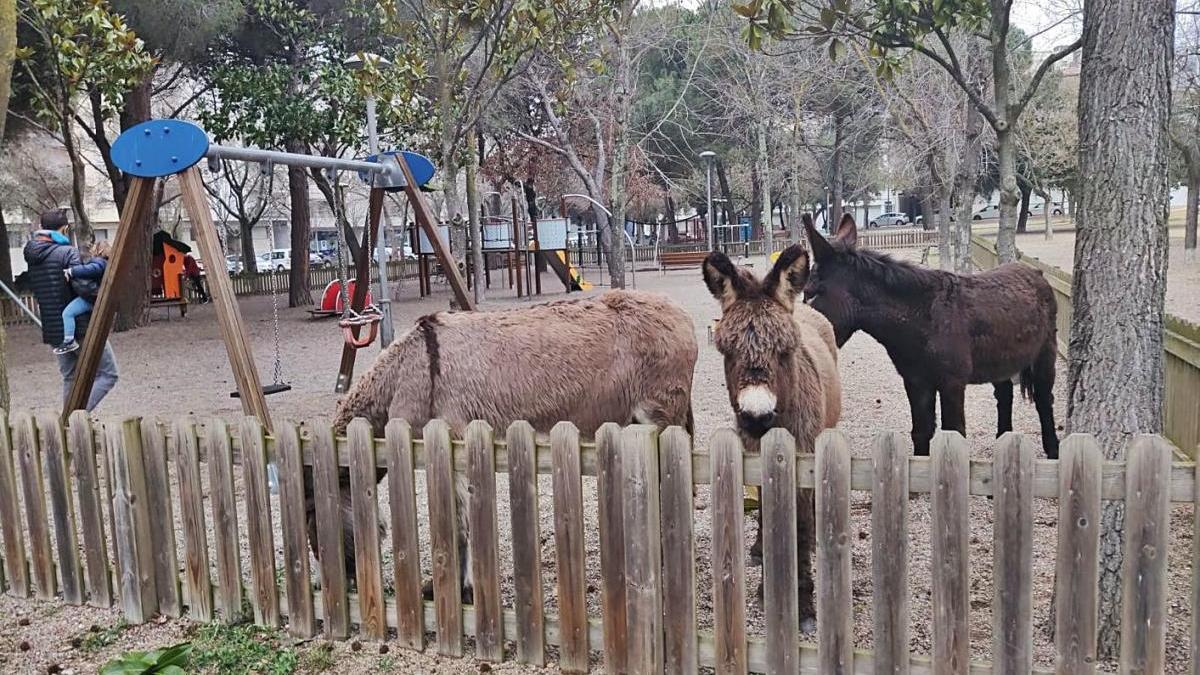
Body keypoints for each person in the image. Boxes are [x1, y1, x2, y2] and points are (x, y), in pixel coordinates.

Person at [23, 210, 119, 411]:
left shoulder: (32, 257)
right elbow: (83, 287)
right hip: (80, 326)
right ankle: (77, 418)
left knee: (70, 376)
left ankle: (68, 425)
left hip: (54, 328)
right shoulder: (68, 252)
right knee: (108, 374)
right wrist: (102, 293)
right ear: (65, 228)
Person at [56, 240, 111, 354]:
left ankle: (69, 340)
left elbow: (91, 269)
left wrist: (71, 271)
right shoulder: (106, 263)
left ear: (98, 250)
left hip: (91, 298)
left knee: (68, 313)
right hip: (95, 298)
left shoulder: (100, 262)